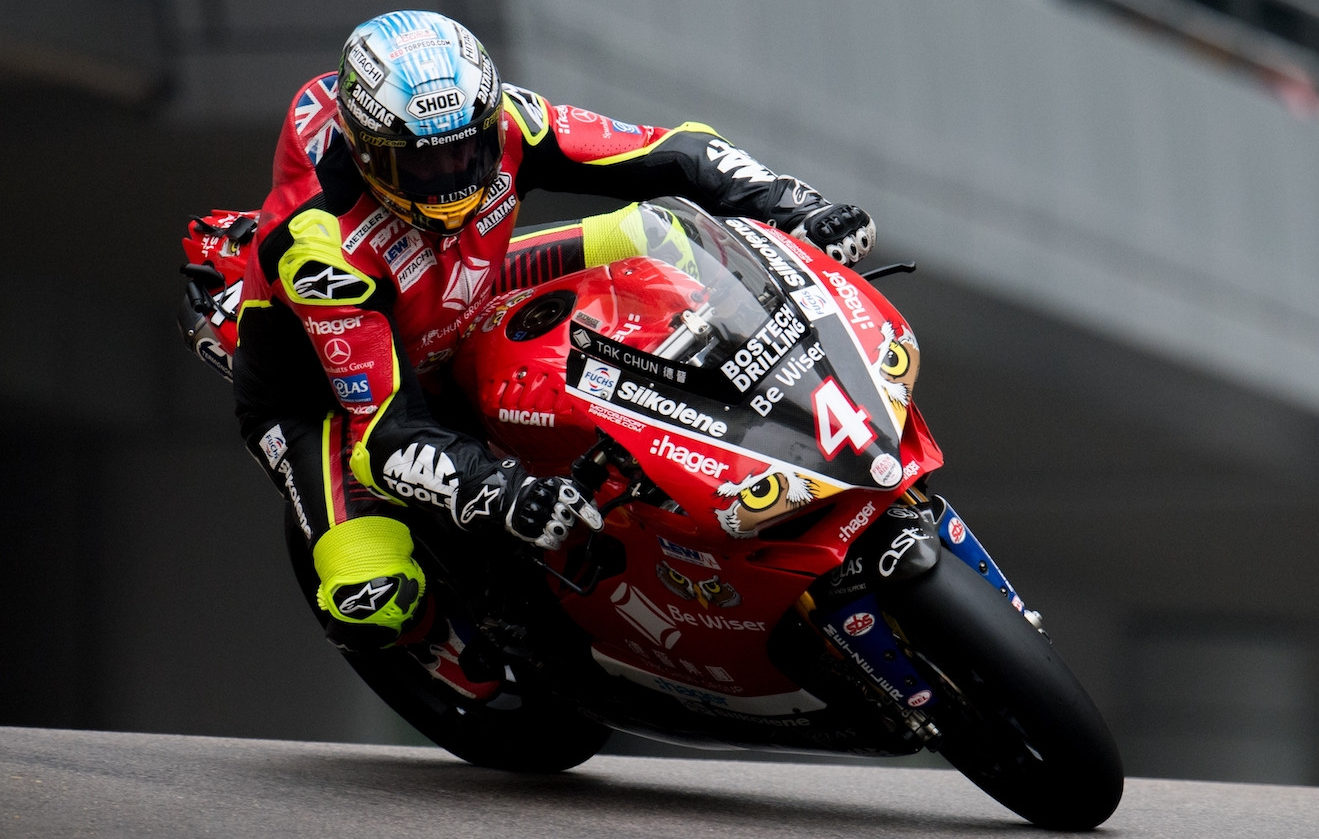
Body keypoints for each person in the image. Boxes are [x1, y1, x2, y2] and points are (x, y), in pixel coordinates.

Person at [233, 9, 876, 701]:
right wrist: (501, 491)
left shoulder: (510, 119)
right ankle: (444, 647)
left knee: (658, 233)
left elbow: (676, 152)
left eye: (466, 151)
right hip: (326, 397)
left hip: (464, 284)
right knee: (371, 597)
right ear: (366, 152)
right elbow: (386, 436)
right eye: (421, 162)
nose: (452, 178)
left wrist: (795, 209)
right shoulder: (319, 248)